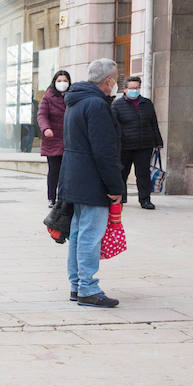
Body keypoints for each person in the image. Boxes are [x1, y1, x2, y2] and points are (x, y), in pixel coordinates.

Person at [60, 59, 124, 307]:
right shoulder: (97, 104)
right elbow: (104, 151)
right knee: (89, 235)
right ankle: (87, 288)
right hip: (92, 179)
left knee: (78, 233)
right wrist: (115, 186)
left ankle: (77, 285)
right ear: (108, 81)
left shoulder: (75, 101)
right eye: (115, 79)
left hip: (75, 177)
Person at [111, 75, 163, 209]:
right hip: (125, 146)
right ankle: (121, 198)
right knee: (122, 173)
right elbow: (114, 127)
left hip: (144, 144)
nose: (135, 90)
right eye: (132, 88)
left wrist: (158, 142)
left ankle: (145, 199)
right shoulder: (117, 105)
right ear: (125, 90)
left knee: (143, 174)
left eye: (137, 87)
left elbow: (154, 124)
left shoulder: (147, 103)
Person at [37, 70, 70, 205]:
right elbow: (41, 115)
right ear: (54, 82)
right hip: (53, 138)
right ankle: (52, 197)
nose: (62, 83)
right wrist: (46, 128)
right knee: (54, 170)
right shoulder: (48, 97)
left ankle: (65, 197)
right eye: (59, 81)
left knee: (68, 171)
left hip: (70, 139)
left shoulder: (72, 96)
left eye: (65, 81)